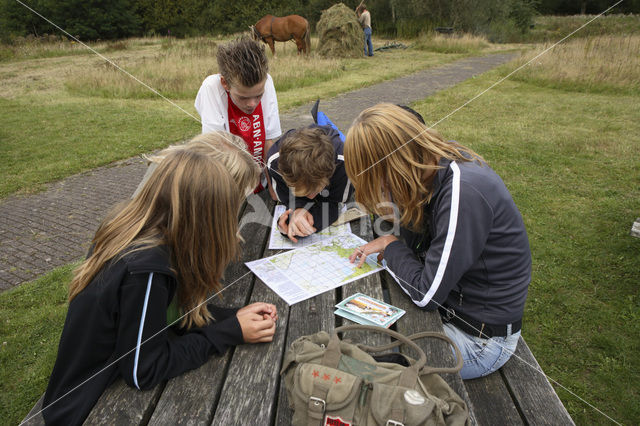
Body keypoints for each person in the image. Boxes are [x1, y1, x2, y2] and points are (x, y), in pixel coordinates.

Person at [42, 143, 278, 425]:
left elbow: (165, 317)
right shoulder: (146, 270)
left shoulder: (135, 229)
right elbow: (144, 370)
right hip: (86, 406)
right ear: (207, 218)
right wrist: (228, 333)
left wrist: (232, 317)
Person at [345, 103, 531, 379]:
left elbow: (425, 293)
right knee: (361, 328)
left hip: (480, 341)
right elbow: (413, 243)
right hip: (453, 311)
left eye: (376, 180)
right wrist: (396, 232)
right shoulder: (433, 167)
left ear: (393, 165)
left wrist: (389, 245)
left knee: (364, 368)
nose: (380, 191)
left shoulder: (463, 192)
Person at [194, 36, 282, 193]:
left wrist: (274, 188)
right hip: (227, 182)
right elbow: (216, 149)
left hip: (260, 181)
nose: (252, 104)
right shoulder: (211, 88)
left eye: (259, 95)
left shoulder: (267, 81)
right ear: (225, 83)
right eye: (243, 97)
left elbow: (269, 141)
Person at [266, 125, 353, 242]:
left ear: (329, 175)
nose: (311, 197)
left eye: (315, 190)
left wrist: (304, 224)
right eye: (301, 191)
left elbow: (334, 204)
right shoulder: (274, 163)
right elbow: (288, 199)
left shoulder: (345, 164)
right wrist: (291, 218)